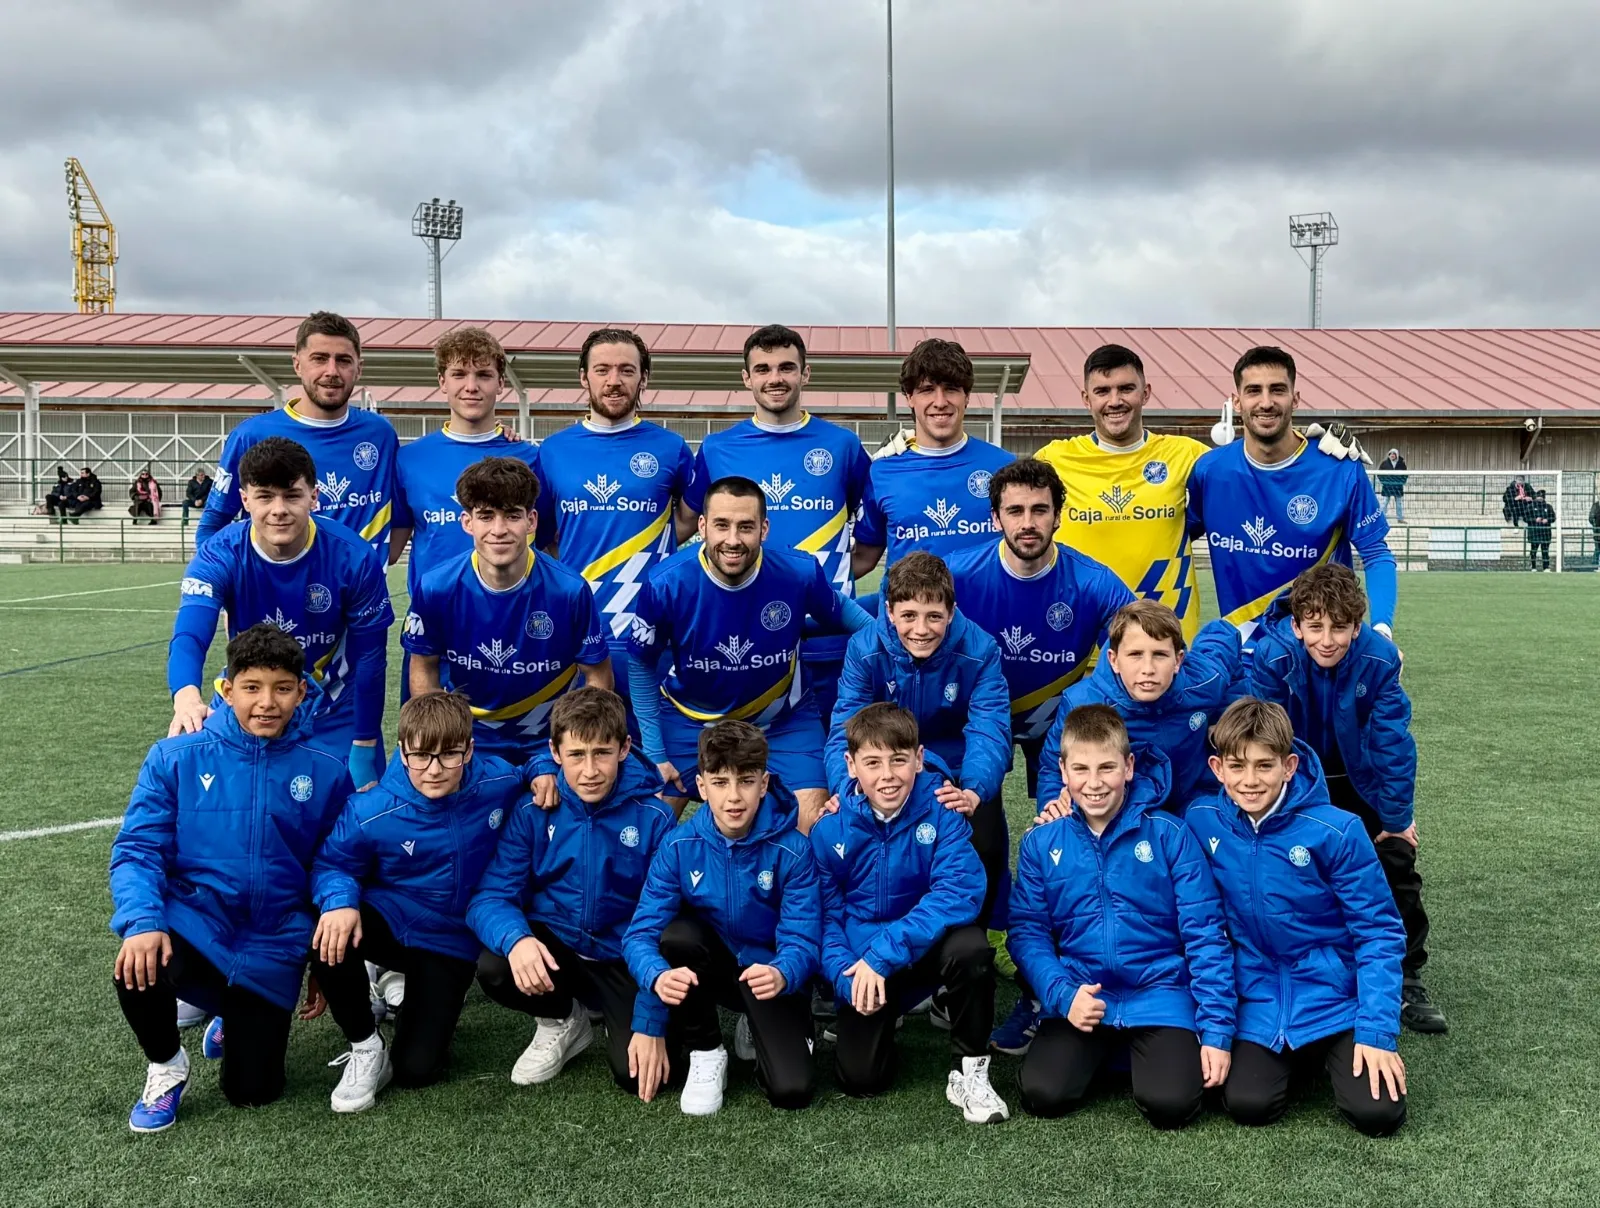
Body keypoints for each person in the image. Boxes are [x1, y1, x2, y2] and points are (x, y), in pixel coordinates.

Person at [109, 624, 354, 1131]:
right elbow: (137, 850)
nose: (267, 702)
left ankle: (233, 1012)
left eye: (282, 688)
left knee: (253, 1093)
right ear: (226, 689)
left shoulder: (327, 769)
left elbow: (338, 858)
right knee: (139, 959)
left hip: (274, 940)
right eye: (252, 687)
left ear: (301, 691)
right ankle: (166, 1065)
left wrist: (331, 918)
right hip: (198, 920)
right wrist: (142, 921)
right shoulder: (176, 757)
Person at [1185, 698, 1408, 1136]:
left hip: (1333, 998)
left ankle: (1331, 1048)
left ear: (1289, 766)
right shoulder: (1201, 820)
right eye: (1237, 766)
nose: (1250, 780)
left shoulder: (1338, 831)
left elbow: (1379, 932)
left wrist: (1377, 1031)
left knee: (1377, 1113)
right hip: (1257, 997)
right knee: (1248, 1105)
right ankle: (1297, 1056)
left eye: (1264, 766)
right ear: (1217, 768)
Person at [308, 692, 539, 1112]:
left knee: (417, 1070)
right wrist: (339, 901)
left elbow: (533, 768)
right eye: (420, 756)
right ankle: (365, 1043)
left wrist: (542, 771)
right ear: (402, 751)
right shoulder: (371, 808)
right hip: (394, 923)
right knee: (326, 921)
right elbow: (333, 863)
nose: (434, 769)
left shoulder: (497, 781)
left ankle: (406, 995)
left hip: (451, 942)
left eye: (449, 755)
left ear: (469, 749)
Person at [1008, 705, 1234, 1129]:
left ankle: (1137, 1052)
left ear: (1128, 767)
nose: (1094, 783)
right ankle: (1110, 1051)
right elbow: (1027, 933)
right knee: (1042, 1094)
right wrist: (1063, 995)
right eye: (1081, 769)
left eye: (1107, 768)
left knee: (1172, 1106)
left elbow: (1205, 934)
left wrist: (1217, 1032)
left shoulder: (1170, 834)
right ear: (1063, 771)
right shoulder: (1041, 842)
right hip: (1084, 994)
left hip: (1160, 995)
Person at [1250, 564, 1445, 1033]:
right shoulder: (1272, 655)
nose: (1327, 640)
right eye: (1315, 627)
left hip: (1359, 780)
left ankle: (1406, 976)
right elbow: (1263, 739)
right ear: (1297, 625)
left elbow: (1392, 745)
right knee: (1292, 866)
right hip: (1295, 779)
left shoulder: (1379, 659)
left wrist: (1395, 820)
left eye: (1339, 627)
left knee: (1395, 861)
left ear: (1357, 626)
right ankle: (1302, 971)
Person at [469, 687, 680, 1101]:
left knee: (640, 1078)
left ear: (625, 748)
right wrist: (517, 940)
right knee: (496, 964)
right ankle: (562, 1018)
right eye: (576, 755)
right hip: (560, 946)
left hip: (625, 957)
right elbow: (490, 897)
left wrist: (650, 1020)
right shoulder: (532, 810)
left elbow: (665, 921)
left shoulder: (656, 819)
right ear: (554, 752)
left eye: (602, 753)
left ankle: (613, 1011)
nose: (589, 770)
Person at [626, 475, 872, 830]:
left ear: (764, 529)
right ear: (702, 526)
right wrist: (654, 752)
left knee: (815, 823)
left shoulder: (798, 573)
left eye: (745, 526)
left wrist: (891, 640)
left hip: (782, 721)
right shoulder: (666, 583)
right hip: (690, 721)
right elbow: (640, 664)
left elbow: (850, 617)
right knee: (646, 825)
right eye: (721, 525)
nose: (733, 540)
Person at [809, 704, 1008, 1123]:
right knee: (861, 1080)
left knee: (970, 948)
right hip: (864, 969)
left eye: (899, 760)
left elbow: (960, 891)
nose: (887, 775)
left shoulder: (943, 811)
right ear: (850, 765)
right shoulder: (829, 828)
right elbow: (824, 917)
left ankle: (970, 1070)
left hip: (919, 954)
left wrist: (885, 953)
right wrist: (847, 979)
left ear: (919, 758)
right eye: (872, 763)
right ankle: (878, 1022)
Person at [167, 436, 393, 787]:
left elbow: (370, 658)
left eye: (291, 495)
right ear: (244, 499)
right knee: (213, 795)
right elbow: (190, 635)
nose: (278, 509)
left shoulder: (355, 558)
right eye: (264, 496)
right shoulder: (219, 554)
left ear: (314, 496)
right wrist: (185, 696)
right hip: (250, 703)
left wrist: (364, 743)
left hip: (332, 707)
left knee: (354, 812)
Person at [623, 720, 822, 1116]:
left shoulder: (795, 850)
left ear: (764, 784)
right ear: (701, 787)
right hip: (709, 967)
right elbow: (640, 935)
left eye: (746, 781)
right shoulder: (678, 846)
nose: (733, 796)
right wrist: (656, 978)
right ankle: (707, 1051)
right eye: (719, 782)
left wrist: (783, 972)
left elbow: (803, 939)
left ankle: (762, 1022)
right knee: (678, 936)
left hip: (765, 973)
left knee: (792, 1090)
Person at [685, 324, 877, 728]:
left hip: (828, 641)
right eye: (763, 369)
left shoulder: (842, 445)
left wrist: (824, 584)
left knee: (834, 757)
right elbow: (688, 524)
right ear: (747, 378)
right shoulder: (718, 449)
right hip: (744, 641)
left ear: (805, 373)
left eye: (787, 367)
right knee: (739, 761)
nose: (775, 378)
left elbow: (870, 536)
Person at [828, 552, 1012, 925]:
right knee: (850, 829)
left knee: (986, 837)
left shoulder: (981, 650)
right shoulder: (864, 649)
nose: (921, 629)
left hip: (955, 769)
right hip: (889, 763)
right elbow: (845, 730)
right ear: (890, 611)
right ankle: (862, 923)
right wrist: (846, 788)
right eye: (909, 616)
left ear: (951, 611)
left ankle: (984, 929)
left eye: (934, 616)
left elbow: (989, 728)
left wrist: (973, 790)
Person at [532, 327, 697, 735]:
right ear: (583, 378)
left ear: (644, 378)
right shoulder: (552, 451)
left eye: (626, 370)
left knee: (654, 753)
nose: (614, 380)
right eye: (602, 369)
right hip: (579, 631)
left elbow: (689, 519)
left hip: (653, 630)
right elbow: (544, 536)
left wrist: (648, 556)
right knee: (585, 748)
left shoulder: (671, 447)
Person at [1187, 346, 1397, 658]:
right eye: (1254, 391)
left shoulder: (1339, 468)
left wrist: (1381, 631)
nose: (1266, 402)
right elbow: (1172, 534)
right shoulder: (1210, 471)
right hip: (1243, 655)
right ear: (1236, 401)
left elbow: (1376, 552)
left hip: (1320, 652)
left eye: (1278, 390)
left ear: (1295, 399)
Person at [403, 458, 612, 767]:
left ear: (531, 521)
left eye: (512, 516)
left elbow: (598, 678)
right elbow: (424, 669)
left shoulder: (569, 590)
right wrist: (449, 748)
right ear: (467, 522)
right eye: (486, 516)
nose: (499, 530)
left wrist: (562, 753)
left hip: (548, 743)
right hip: (469, 741)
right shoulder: (436, 587)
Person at [945, 457, 1134, 800]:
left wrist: (1092, 696)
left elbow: (1142, 642)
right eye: (1015, 511)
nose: (1028, 523)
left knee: (1066, 818)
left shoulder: (1094, 582)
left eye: (1040, 510)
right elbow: (898, 613)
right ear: (995, 518)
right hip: (978, 715)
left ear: (1058, 516)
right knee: (972, 818)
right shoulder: (957, 574)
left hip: (1059, 719)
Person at [1034, 344, 1213, 644]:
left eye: (1126, 389)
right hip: (1081, 645)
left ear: (1145, 393)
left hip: (1164, 644)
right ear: (1086, 399)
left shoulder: (1187, 455)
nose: (1114, 401)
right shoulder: (1053, 460)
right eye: (1102, 391)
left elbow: (1245, 481)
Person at [195, 311, 399, 558]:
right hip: (277, 582)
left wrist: (374, 564)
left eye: (343, 360)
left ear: (359, 369)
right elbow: (213, 524)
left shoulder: (380, 434)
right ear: (297, 364)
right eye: (319, 359)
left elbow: (401, 519)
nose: (332, 371)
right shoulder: (251, 436)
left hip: (361, 583)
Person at [1037, 600, 1246, 816]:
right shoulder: (1084, 703)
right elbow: (1053, 766)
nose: (1148, 668)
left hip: (1196, 797)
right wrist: (1053, 803)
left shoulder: (1203, 680)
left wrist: (1227, 714)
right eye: (1135, 654)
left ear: (1178, 660)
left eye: (1160, 654)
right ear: (1114, 660)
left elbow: (1224, 634)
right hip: (1131, 809)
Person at [853, 338, 1014, 575]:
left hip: (986, 601)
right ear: (909, 397)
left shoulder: (1004, 466)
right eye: (927, 390)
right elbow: (863, 559)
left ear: (967, 396)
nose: (940, 402)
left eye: (951, 389)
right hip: (906, 601)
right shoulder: (881, 472)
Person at [1525, 489, 1555, 571]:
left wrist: (1547, 520)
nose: (1540, 498)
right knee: (1533, 550)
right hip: (1534, 532)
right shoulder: (1530, 506)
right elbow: (1526, 518)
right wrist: (1535, 520)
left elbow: (1553, 517)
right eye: (1539, 496)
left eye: (1542, 496)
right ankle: (1533, 567)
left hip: (1545, 533)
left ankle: (1546, 567)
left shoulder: (1548, 507)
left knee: (1545, 551)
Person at [1376, 449, 1408, 523]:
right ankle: (1382, 519)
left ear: (1397, 455)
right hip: (1387, 486)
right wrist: (1384, 482)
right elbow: (1379, 474)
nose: (1392, 455)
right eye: (1391, 454)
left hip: (1398, 486)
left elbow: (1405, 474)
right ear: (1389, 455)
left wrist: (1401, 482)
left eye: (1394, 454)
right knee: (1385, 502)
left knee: (1399, 503)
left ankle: (1400, 519)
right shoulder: (1384, 463)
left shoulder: (1401, 464)